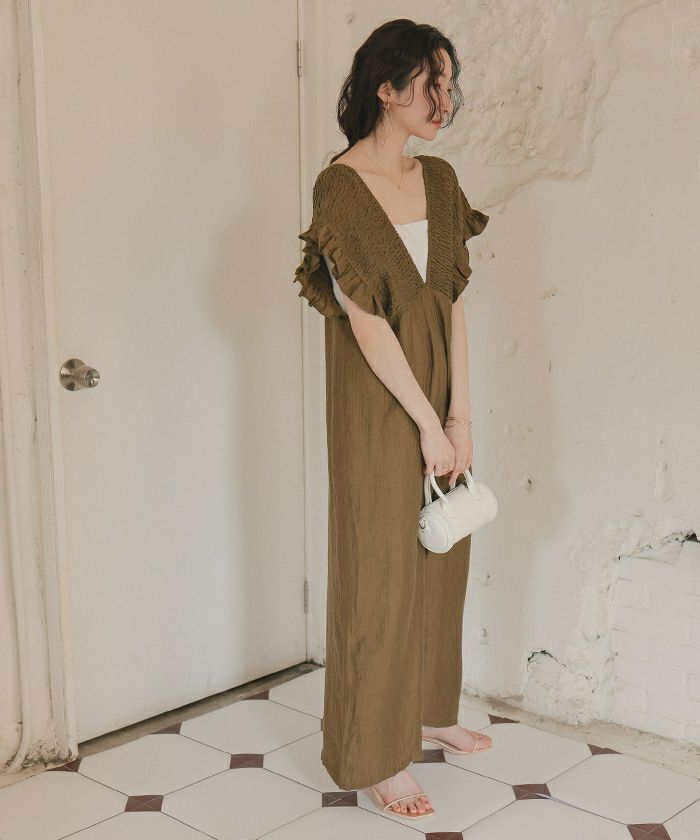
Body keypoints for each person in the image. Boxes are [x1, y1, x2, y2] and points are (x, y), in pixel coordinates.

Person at [292, 18, 493, 821]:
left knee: (445, 551)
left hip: (440, 393)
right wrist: (425, 424)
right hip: (379, 399)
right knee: (379, 568)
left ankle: (431, 710)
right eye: (429, 84)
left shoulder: (439, 179)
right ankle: (376, 753)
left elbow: (454, 305)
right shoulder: (338, 188)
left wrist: (461, 417)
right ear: (385, 89)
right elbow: (368, 324)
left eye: (449, 84)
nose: (445, 100)